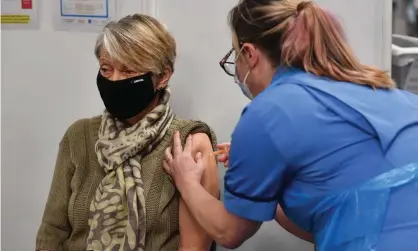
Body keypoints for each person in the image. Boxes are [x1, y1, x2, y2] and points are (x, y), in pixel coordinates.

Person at [163, 1, 418, 250]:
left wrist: (187, 182)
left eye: (234, 57)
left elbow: (229, 232)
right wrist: (263, 182)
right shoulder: (376, 90)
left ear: (249, 54)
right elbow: (330, 217)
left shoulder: (268, 113)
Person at [36, 14, 219, 251]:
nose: (115, 80)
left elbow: (195, 248)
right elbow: (53, 231)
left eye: (129, 71)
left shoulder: (188, 142)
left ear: (162, 76)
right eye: (106, 69)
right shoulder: (78, 136)